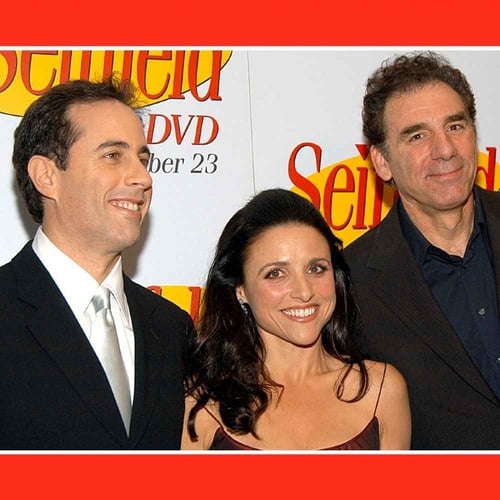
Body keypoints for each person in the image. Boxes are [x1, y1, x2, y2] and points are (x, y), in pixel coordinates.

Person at [0, 76, 195, 449]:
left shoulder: (172, 328)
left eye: (142, 159)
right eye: (112, 155)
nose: (142, 177)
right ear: (47, 176)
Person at [344, 51, 500, 449]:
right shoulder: (351, 282)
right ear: (382, 162)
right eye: (417, 136)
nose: (445, 149)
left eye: (455, 125)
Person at [182, 188, 410, 450]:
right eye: (276, 273)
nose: (304, 291)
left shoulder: (382, 391)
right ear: (240, 289)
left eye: (316, 268)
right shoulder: (202, 403)